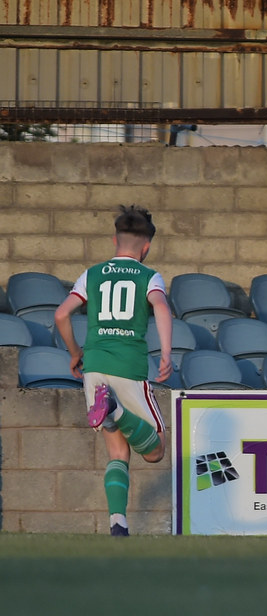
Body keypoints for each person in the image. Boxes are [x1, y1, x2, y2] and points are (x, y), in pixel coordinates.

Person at [54, 205, 172, 537]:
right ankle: (116, 408)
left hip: (94, 369)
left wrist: (75, 353)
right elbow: (161, 306)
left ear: (114, 240)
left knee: (118, 451)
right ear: (146, 246)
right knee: (155, 451)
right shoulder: (149, 276)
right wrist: (166, 352)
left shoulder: (91, 274)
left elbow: (61, 315)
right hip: (128, 367)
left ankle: (117, 522)